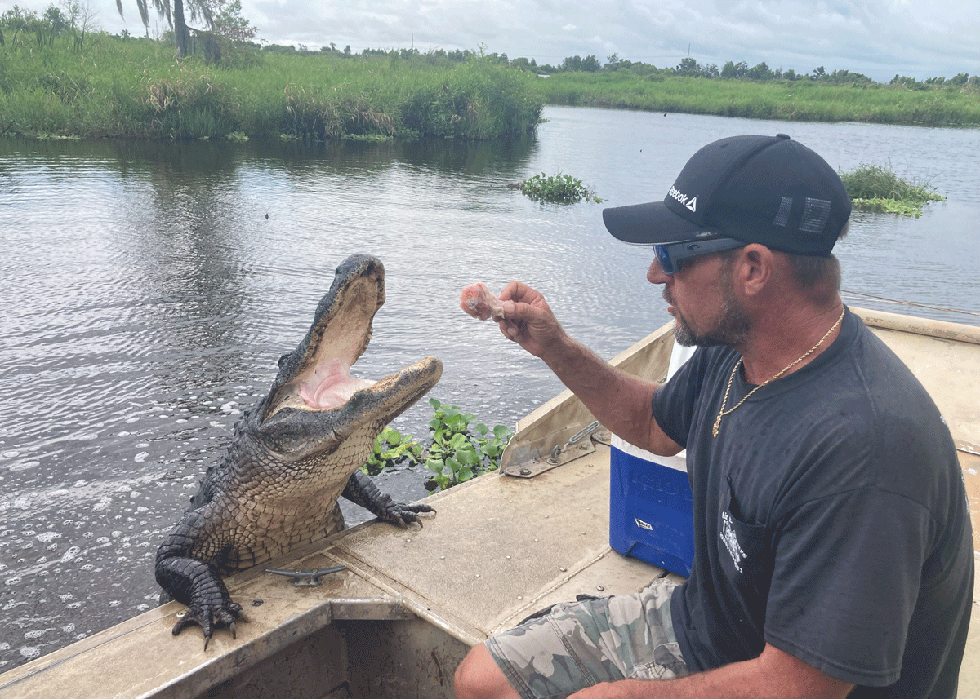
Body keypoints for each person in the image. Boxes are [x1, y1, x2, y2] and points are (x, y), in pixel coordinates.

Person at [454, 134, 974, 699]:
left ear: (752, 269)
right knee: (482, 680)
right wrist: (553, 345)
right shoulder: (737, 346)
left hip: (786, 680)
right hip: (707, 629)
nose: (655, 274)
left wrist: (627, 695)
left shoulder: (868, 447)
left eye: (673, 254)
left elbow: (800, 686)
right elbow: (653, 423)